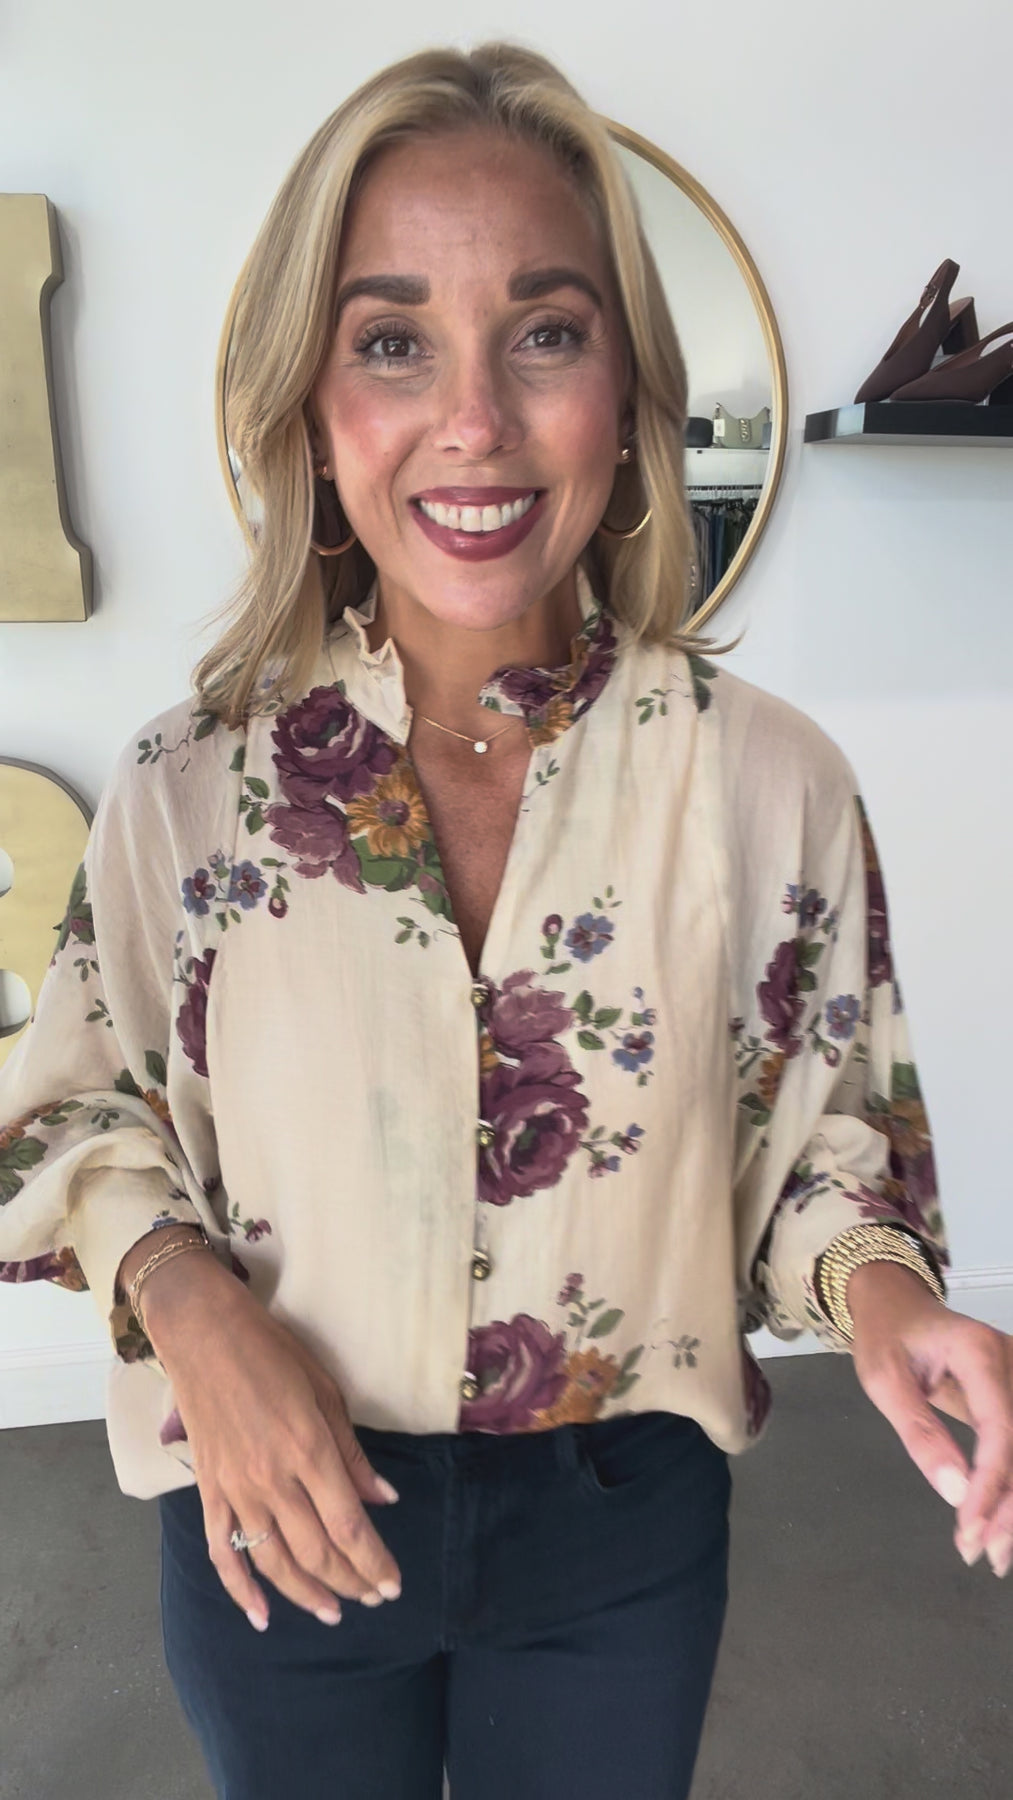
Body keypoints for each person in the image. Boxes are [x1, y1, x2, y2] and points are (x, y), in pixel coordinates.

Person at [1, 41, 1010, 1800]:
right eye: (392, 342)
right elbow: (76, 1115)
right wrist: (191, 1308)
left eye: (544, 331)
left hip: (620, 1521)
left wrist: (879, 1299)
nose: (472, 420)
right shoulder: (187, 783)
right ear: (310, 402)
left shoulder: (767, 779)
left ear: (627, 390)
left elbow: (817, 1151)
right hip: (273, 1492)